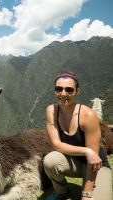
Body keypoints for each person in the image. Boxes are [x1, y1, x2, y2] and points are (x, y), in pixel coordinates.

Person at [43, 71, 112, 200]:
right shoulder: (51, 111)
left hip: (97, 166)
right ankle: (62, 192)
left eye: (69, 90)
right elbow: (56, 145)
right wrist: (86, 151)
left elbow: (93, 161)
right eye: (59, 89)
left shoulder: (88, 115)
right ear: (54, 91)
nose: (63, 93)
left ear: (76, 92)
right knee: (50, 161)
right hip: (75, 162)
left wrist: (86, 194)